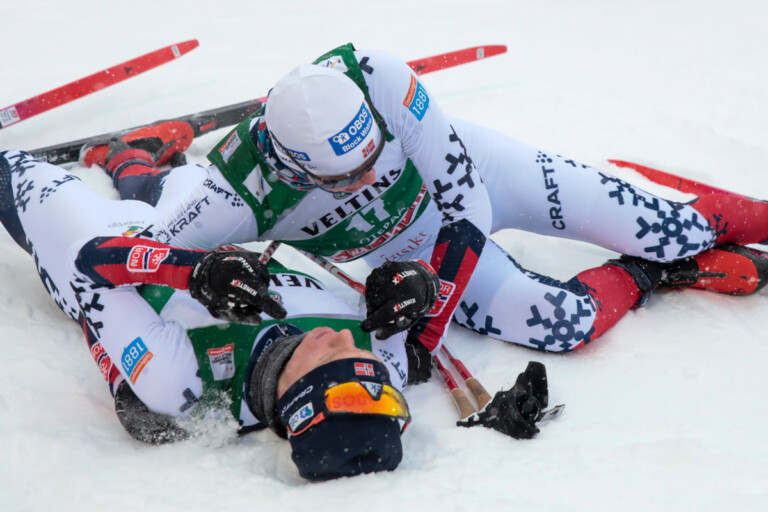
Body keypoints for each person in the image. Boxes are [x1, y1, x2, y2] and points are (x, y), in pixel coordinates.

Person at [41, 44, 768, 380]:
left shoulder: (378, 76)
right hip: (414, 245)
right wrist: (199, 272)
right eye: (346, 174)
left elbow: (468, 204)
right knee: (563, 325)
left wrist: (429, 313)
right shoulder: (239, 189)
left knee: (674, 224)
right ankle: (657, 278)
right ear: (290, 166)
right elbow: (99, 265)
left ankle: (712, 233)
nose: (368, 172)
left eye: (372, 153)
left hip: (481, 183)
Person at [0, 149, 416, 481]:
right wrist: (418, 286)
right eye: (365, 355)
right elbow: (410, 326)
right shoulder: (375, 378)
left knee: (22, 176)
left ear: (293, 395)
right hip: (208, 236)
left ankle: (118, 165)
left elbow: (86, 267)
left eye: (326, 356)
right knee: (189, 183)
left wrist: (191, 271)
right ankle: (134, 160)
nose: (342, 337)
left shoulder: (184, 379)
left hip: (117, 246)